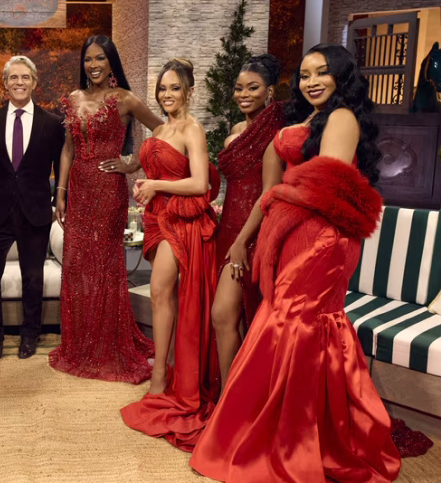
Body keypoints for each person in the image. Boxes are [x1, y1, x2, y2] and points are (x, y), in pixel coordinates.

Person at [190, 44, 401, 482]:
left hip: (323, 236)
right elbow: (276, 185)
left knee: (297, 324)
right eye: (304, 75)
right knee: (283, 322)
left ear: (342, 77)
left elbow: (326, 186)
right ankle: (282, 428)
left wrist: (278, 197)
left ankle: (297, 437)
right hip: (294, 232)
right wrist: (254, 229)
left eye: (322, 73)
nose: (311, 82)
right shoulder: (306, 120)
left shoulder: (341, 117)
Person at [49, 35, 164, 383]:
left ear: (111, 61)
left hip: (108, 190)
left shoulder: (125, 99)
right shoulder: (74, 98)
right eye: (88, 59)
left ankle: (106, 345)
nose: (93, 65)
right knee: (77, 265)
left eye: (100, 58)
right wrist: (60, 192)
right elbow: (67, 149)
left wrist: (132, 163)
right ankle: (81, 343)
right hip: (79, 189)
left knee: (104, 266)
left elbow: (161, 130)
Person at [120, 59, 219, 450]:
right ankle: (165, 368)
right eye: (162, 88)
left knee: (160, 292)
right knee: (162, 297)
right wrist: (144, 186)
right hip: (156, 217)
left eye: (174, 88)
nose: (166, 94)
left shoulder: (192, 129)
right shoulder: (160, 129)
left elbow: (200, 184)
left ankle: (161, 375)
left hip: (181, 220)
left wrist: (156, 185)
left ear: (190, 91)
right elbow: (154, 172)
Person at [0, 56, 66, 361]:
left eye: (25, 77)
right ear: (5, 83)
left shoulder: (52, 123)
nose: (19, 82)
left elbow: (61, 166)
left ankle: (30, 335)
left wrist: (59, 200)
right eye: (13, 77)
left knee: (33, 278)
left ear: (34, 82)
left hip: (35, 211)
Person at [211, 54, 285, 388]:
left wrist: (242, 241)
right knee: (232, 319)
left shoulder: (275, 133)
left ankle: (236, 399)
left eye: (252, 88)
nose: (243, 94)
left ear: (270, 91)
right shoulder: (238, 129)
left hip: (253, 232)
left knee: (226, 314)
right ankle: (234, 396)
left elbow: (268, 192)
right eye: (239, 88)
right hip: (228, 226)